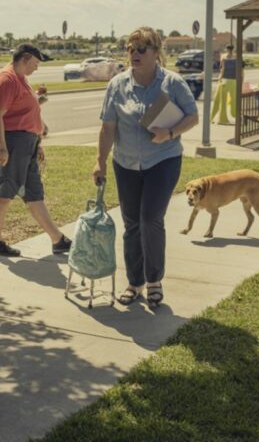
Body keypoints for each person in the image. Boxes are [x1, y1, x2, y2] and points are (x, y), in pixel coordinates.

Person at [92, 28, 198, 308]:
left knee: (150, 218)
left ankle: (154, 281)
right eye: (130, 48)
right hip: (125, 163)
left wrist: (171, 133)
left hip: (163, 160)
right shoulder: (117, 85)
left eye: (141, 49)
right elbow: (107, 128)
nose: (134, 54)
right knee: (132, 223)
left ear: (155, 52)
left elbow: (193, 116)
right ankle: (134, 283)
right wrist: (100, 161)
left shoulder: (172, 83)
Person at [0, 43, 72, 258]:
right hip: (13, 143)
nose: (36, 67)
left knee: (34, 193)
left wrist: (37, 140)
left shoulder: (20, 78)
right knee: (6, 192)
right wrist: (2, 148)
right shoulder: (6, 79)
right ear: (25, 58)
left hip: (27, 143)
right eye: (35, 63)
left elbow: (23, 110)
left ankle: (57, 240)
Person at [211, 46, 237, 124]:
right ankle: (234, 115)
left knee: (222, 100)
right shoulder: (236, 58)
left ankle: (222, 118)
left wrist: (219, 78)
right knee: (233, 100)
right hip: (233, 80)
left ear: (227, 49)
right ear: (233, 49)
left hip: (225, 80)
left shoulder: (223, 57)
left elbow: (222, 69)